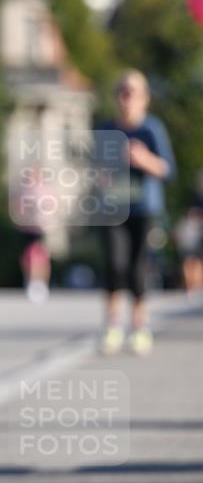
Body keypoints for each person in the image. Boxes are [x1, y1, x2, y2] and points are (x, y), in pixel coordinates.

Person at [98, 70, 175, 355]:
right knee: (114, 263)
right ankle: (112, 326)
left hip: (144, 207)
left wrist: (143, 159)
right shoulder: (106, 129)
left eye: (132, 92)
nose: (126, 97)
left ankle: (139, 327)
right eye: (122, 91)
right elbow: (94, 169)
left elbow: (168, 169)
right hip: (112, 207)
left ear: (144, 99)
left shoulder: (151, 129)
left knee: (137, 267)